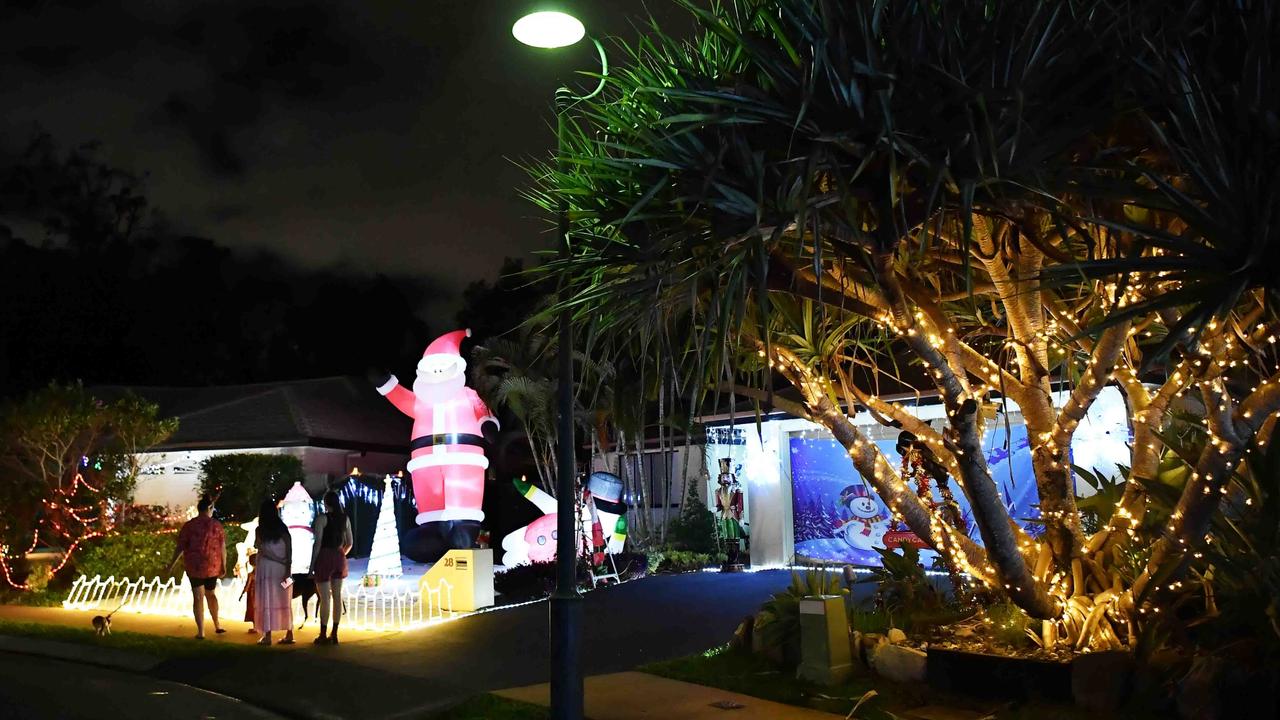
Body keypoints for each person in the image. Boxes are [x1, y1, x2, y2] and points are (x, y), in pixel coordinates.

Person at [169, 494, 226, 640]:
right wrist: (224, 565)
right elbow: (222, 547)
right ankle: (217, 625)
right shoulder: (216, 525)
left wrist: (171, 564)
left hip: (194, 566)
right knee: (211, 594)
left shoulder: (189, 526)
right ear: (209, 508)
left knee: (198, 597)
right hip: (212, 566)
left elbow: (180, 547)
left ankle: (201, 632)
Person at [310, 491, 353, 645]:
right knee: (337, 596)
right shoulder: (345, 518)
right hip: (339, 557)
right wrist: (341, 554)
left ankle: (322, 634)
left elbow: (318, 543)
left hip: (324, 557)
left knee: (325, 598)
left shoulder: (322, 519)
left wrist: (312, 566)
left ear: (326, 503)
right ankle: (334, 634)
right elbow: (350, 542)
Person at [253, 498, 295, 646]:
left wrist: (276, 559)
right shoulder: (282, 528)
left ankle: (267, 635)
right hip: (283, 570)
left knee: (267, 599)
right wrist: (287, 566)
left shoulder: (261, 530)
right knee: (284, 599)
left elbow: (260, 549)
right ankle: (289, 633)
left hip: (266, 569)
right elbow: (289, 547)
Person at [238, 554, 258, 634]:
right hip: (261, 595)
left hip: (252, 595)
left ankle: (255, 627)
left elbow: (247, 586)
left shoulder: (251, 574)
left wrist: (242, 594)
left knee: (253, 610)